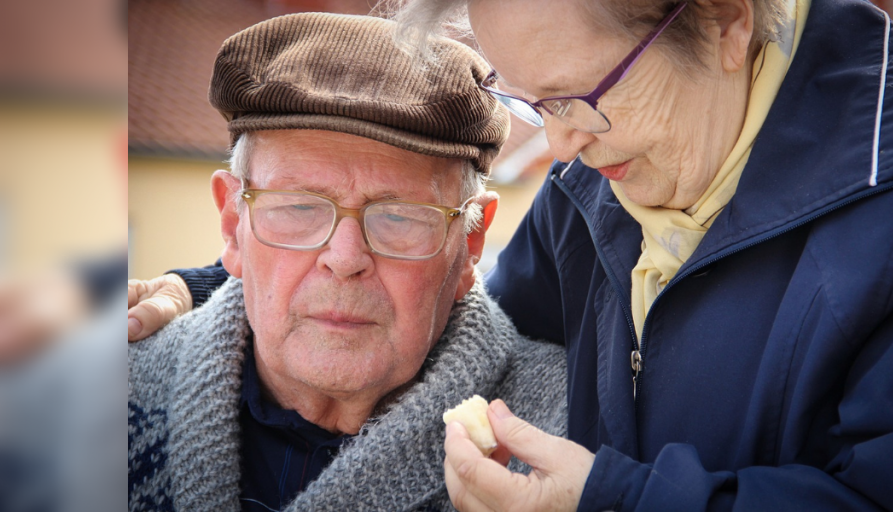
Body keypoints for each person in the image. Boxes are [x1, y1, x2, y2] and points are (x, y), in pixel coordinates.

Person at [130, 0, 893, 509]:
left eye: (581, 96)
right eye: (532, 104)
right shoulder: (589, 190)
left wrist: (615, 502)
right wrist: (214, 294)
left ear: (727, 22)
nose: (559, 147)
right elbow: (441, 305)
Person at [128, 13, 568, 512]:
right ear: (233, 224)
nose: (345, 259)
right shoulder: (95, 398)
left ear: (470, 242)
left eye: (400, 216)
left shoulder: (566, 436)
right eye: (299, 206)